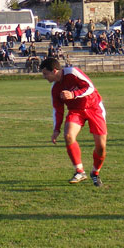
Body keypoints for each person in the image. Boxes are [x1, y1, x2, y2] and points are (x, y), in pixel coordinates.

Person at [40, 57, 107, 186]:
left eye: (45, 73)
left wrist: (73, 94)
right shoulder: (55, 89)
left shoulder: (72, 72)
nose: (44, 77)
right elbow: (57, 110)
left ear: (54, 71)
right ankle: (79, 171)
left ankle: (95, 172)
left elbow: (90, 87)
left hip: (94, 108)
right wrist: (56, 129)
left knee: (101, 147)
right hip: (76, 111)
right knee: (69, 135)